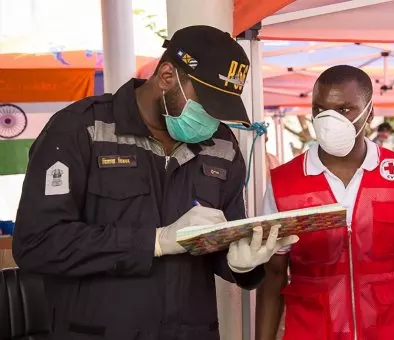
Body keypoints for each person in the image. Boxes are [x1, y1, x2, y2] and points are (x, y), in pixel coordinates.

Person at [11, 26, 297, 340]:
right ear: (166, 76)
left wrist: (241, 263)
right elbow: (37, 243)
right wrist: (155, 242)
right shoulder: (82, 130)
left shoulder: (222, 146)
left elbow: (224, 238)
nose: (213, 121)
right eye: (207, 106)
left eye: (222, 111)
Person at [256, 65, 394, 340]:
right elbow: (272, 278)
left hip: (392, 331)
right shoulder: (284, 182)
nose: (329, 120)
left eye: (344, 110)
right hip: (310, 331)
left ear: (370, 112)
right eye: (320, 110)